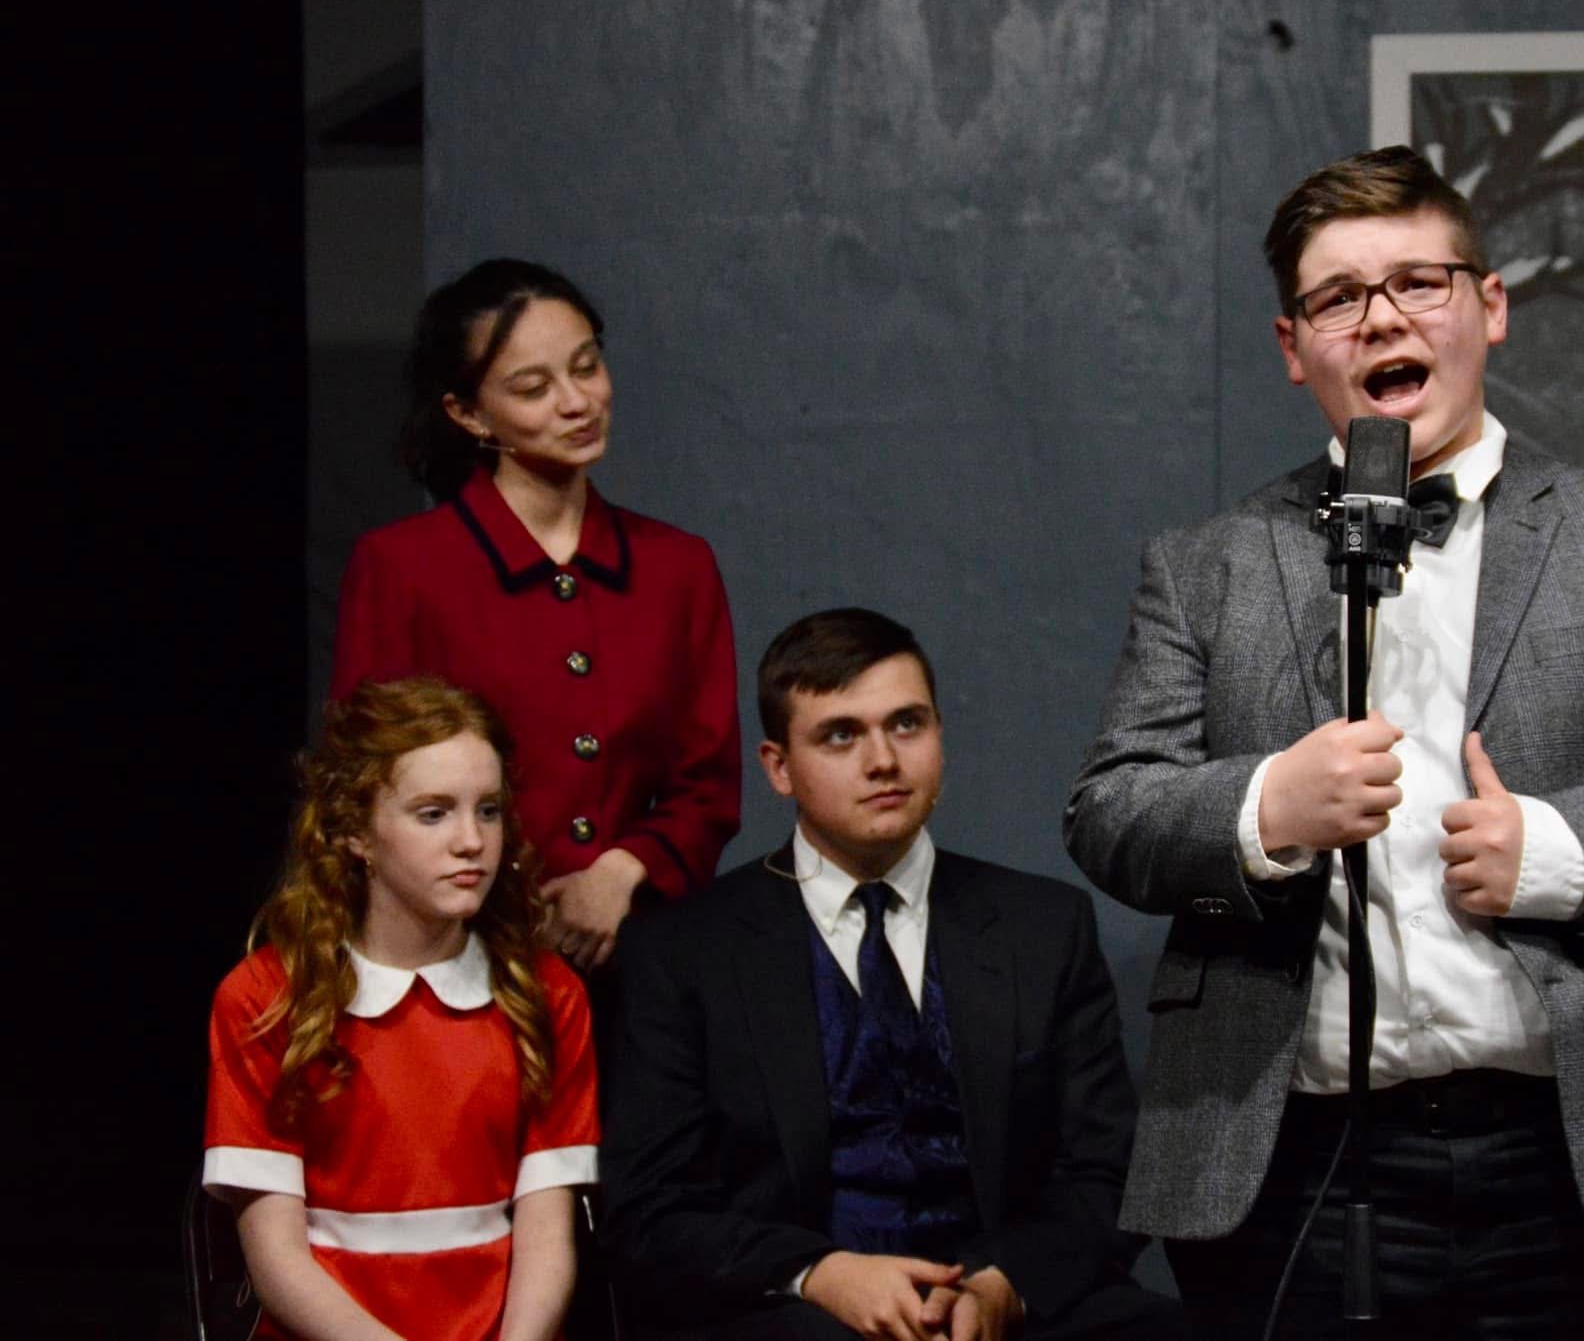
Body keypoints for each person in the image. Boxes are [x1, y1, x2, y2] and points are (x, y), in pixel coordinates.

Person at [1064, 146, 1584, 1339]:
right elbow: (1110, 809)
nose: (1381, 319)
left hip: (1583, 1154)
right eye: (1337, 298)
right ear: (1292, 347)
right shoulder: (1204, 564)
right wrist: (1264, 809)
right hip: (1297, 1164)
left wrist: (1564, 854)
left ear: (1489, 307)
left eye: (1418, 283)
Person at [603, 608, 1186, 1341]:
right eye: (840, 735)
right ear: (778, 767)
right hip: (791, 1313)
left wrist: (1004, 1286)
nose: (883, 760)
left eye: (907, 724)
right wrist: (820, 1275)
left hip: (1002, 1305)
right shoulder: (684, 950)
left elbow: (1108, 1170)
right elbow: (650, 1210)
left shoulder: (1042, 927)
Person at [332, 258, 741, 972]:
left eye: (587, 368)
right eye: (533, 387)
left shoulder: (677, 566)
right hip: (460, 955)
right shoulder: (402, 567)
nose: (577, 402)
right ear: (468, 414)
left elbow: (707, 784)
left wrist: (620, 872)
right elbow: (365, 783)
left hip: (641, 953)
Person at [202, 677, 599, 1341]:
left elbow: (547, 1234)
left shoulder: (548, 993)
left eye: (489, 810)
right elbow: (276, 1261)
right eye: (433, 813)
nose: (471, 841)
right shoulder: (264, 997)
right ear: (356, 832)